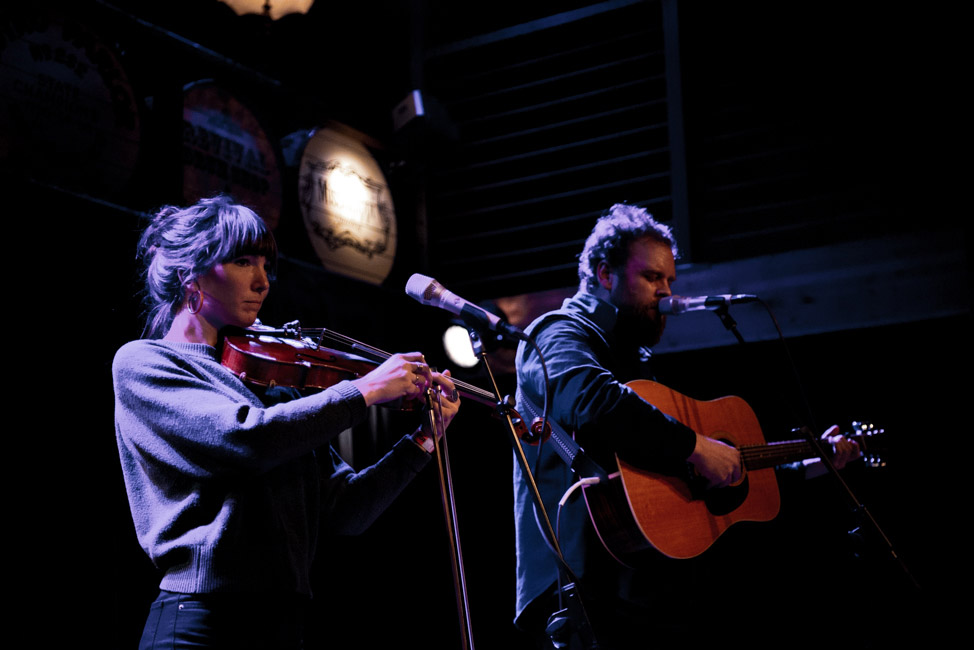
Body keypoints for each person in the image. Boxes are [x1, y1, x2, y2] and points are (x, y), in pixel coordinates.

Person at [113, 195, 460, 649]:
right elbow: (246, 438)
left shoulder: (269, 381)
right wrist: (366, 390)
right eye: (242, 261)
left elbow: (347, 512)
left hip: (285, 620)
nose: (262, 282)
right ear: (190, 274)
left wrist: (423, 440)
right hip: (202, 621)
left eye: (264, 266)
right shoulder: (145, 363)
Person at [512, 203, 859, 649]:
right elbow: (591, 400)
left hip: (636, 583)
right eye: (652, 278)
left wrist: (812, 463)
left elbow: (685, 475)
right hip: (574, 586)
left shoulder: (634, 361)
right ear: (604, 274)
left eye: (670, 280)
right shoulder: (558, 333)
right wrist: (696, 446)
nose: (666, 291)